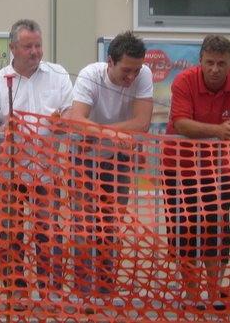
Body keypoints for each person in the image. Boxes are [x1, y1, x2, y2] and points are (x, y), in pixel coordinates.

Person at [0, 19, 73, 308]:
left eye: (38, 45)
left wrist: (62, 122)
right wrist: (8, 133)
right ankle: (16, 292)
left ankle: (49, 291)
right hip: (9, 175)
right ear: (12, 48)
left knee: (48, 234)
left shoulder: (57, 75)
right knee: (10, 235)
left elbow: (70, 113)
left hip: (47, 174)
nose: (35, 52)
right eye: (28, 46)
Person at [69, 31, 153, 300]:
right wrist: (115, 135)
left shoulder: (144, 74)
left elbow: (142, 123)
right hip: (82, 156)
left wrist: (103, 132)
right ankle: (83, 289)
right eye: (126, 70)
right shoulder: (90, 75)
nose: (132, 77)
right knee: (83, 224)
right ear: (110, 62)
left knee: (111, 224)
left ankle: (105, 288)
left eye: (136, 70)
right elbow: (78, 119)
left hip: (118, 160)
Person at [164, 34, 230, 311]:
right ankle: (192, 296)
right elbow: (181, 124)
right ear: (200, 62)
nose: (215, 69)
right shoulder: (183, 81)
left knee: (217, 227)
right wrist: (219, 131)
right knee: (186, 230)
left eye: (221, 63)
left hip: (220, 169)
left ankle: (215, 292)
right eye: (210, 62)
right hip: (180, 167)